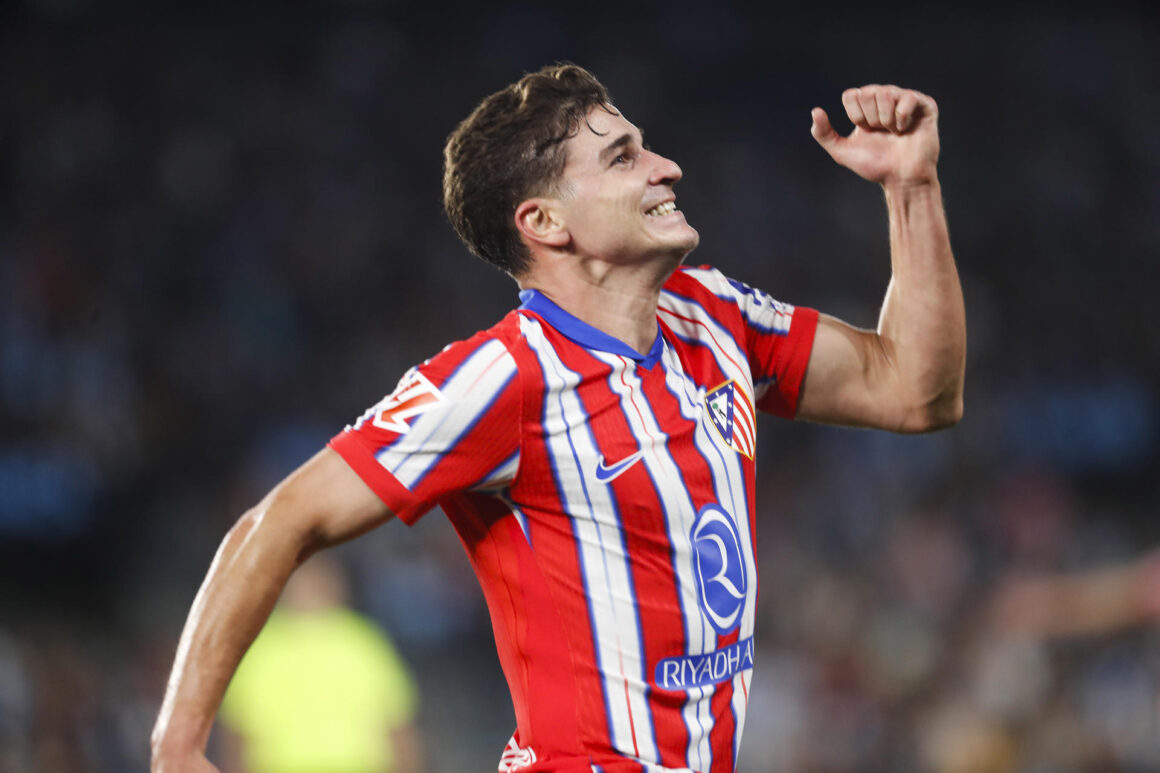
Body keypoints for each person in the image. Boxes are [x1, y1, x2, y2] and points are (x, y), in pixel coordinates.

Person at [151, 64, 965, 773]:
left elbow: (915, 393)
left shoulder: (713, 314)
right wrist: (178, 747)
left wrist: (911, 189)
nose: (667, 167)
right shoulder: (503, 378)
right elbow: (280, 518)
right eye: (623, 157)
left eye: (643, 146)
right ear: (545, 223)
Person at [217, 554, 423, 773]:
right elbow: (236, 732)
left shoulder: (364, 643)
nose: (308, 590)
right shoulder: (258, 649)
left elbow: (397, 724)